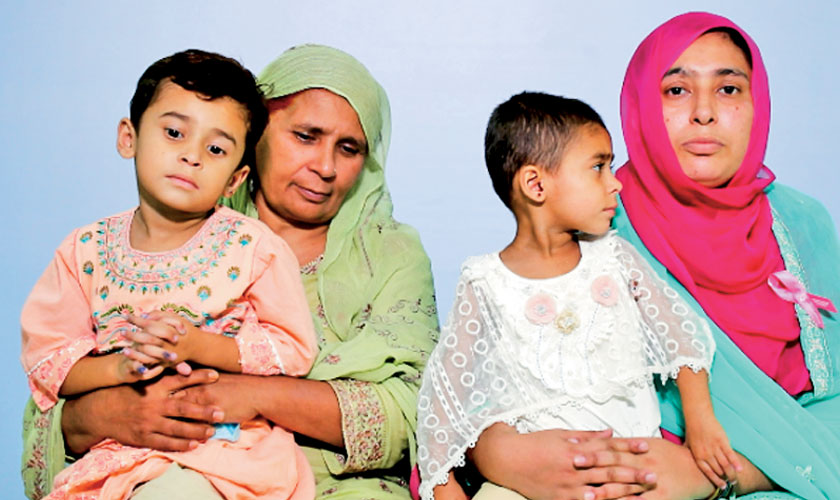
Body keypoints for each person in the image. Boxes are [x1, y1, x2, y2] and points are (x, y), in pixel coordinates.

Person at [21, 45, 440, 500]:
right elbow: (54, 383)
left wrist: (252, 395)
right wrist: (114, 411)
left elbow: (416, 415)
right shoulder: (174, 230)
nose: (324, 167)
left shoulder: (391, 254)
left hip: (345, 487)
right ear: (255, 137)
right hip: (154, 469)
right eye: (305, 135)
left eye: (348, 148)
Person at [470, 12, 840, 500]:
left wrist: (716, 475)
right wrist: (506, 455)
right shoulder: (596, 219)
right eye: (677, 90)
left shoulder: (801, 223)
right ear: (643, 102)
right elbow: (489, 387)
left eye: (729, 90)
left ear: (758, 103)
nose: (704, 113)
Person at [416, 92, 740, 500]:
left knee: (683, 483)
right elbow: (445, 397)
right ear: (536, 184)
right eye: (598, 167)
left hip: (633, 466)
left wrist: (700, 421)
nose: (615, 181)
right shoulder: (484, 282)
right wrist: (447, 490)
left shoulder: (615, 258)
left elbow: (680, 336)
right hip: (539, 483)